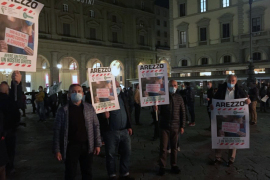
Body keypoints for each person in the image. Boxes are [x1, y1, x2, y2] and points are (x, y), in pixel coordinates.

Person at [53, 84, 102, 180]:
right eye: (74, 92)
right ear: (69, 95)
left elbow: (96, 126)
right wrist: (57, 149)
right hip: (71, 146)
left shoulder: (89, 108)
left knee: (87, 172)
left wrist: (98, 144)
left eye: (79, 91)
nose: (77, 93)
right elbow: (57, 130)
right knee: (70, 173)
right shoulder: (63, 110)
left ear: (83, 93)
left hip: (87, 145)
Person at [211, 75, 250, 167]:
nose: (231, 82)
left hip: (235, 118)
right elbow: (214, 100)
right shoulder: (221, 90)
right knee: (220, 136)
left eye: (233, 81)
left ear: (236, 81)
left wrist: (248, 101)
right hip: (222, 117)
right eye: (229, 80)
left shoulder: (240, 91)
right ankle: (217, 158)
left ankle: (231, 159)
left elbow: (246, 100)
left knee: (233, 138)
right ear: (226, 80)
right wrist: (211, 105)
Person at [101, 81, 134, 180]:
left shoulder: (122, 97)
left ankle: (124, 173)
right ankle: (112, 175)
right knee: (111, 155)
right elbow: (98, 115)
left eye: (118, 86)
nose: (117, 88)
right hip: (111, 131)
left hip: (124, 130)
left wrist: (129, 125)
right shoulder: (104, 99)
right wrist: (104, 114)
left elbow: (127, 111)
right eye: (115, 86)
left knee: (127, 152)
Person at [155, 80, 186, 176]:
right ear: (168, 86)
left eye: (175, 85)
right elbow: (159, 112)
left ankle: (174, 165)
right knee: (163, 148)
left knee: (174, 147)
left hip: (175, 126)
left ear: (177, 86)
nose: (173, 87)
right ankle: (162, 166)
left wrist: (182, 126)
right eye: (171, 85)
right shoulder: (163, 97)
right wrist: (156, 109)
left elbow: (183, 112)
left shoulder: (179, 98)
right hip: (164, 126)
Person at [0, 71, 22, 177]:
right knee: (10, 151)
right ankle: (10, 167)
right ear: (7, 90)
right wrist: (17, 83)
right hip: (10, 131)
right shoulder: (9, 100)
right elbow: (17, 105)